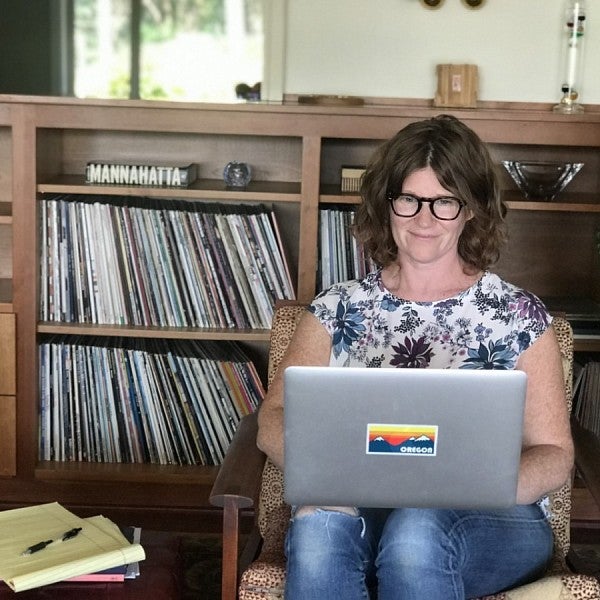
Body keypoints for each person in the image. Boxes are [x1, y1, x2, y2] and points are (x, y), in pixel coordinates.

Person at [256, 114, 574, 599]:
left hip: (495, 520)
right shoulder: (334, 309)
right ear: (387, 205)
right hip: (361, 505)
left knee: (416, 531)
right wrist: (334, 482)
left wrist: (476, 489)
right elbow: (272, 420)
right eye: (409, 199)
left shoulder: (519, 316)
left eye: (444, 202)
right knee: (319, 530)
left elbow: (554, 455)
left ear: (470, 210)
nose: (424, 220)